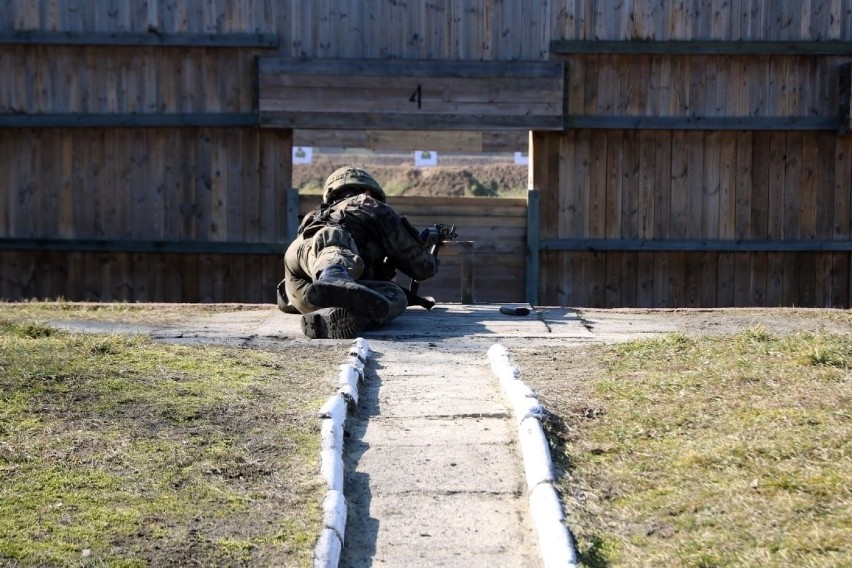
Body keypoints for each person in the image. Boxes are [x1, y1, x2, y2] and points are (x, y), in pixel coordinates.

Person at [279, 166, 439, 339]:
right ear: (367, 190)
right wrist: (425, 250)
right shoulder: (367, 203)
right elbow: (422, 268)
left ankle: (332, 318)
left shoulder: (314, 214)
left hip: (300, 283)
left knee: (396, 294)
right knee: (335, 237)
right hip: (329, 251)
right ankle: (334, 279)